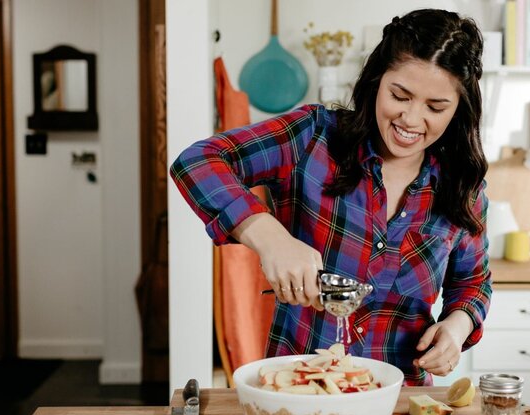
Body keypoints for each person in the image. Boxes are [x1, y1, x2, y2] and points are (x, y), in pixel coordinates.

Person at [171, 8, 491, 386]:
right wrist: (268, 236)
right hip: (298, 393)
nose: (411, 118)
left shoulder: (462, 184)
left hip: (400, 408)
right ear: (376, 81)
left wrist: (457, 325)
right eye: (399, 95)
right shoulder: (312, 139)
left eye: (435, 107)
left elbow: (473, 284)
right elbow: (197, 161)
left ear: (458, 110)